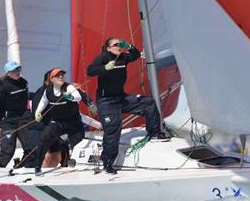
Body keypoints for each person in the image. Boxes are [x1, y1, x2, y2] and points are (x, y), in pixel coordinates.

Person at [86, 37, 167, 174]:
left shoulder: (123, 57)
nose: (119, 46)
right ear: (108, 47)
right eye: (116, 44)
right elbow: (90, 70)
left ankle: (154, 133)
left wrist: (128, 45)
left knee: (148, 103)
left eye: (120, 44)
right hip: (107, 101)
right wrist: (104, 67)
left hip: (121, 97)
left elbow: (135, 55)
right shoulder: (104, 56)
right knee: (113, 130)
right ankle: (107, 162)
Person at [33, 68, 85, 173]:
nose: (61, 77)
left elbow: (78, 97)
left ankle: (73, 164)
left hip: (73, 123)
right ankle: (37, 166)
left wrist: (69, 96)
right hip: (58, 122)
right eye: (58, 75)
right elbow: (44, 101)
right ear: (52, 79)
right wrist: (37, 112)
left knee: (78, 141)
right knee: (44, 138)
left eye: (62, 75)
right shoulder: (48, 90)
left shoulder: (68, 87)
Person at [0, 61, 37, 168]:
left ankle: (23, 169)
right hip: (8, 121)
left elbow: (27, 101)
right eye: (15, 70)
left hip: (23, 118)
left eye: (19, 69)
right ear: (8, 72)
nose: (18, 72)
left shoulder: (24, 82)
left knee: (31, 148)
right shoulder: (2, 86)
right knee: (7, 151)